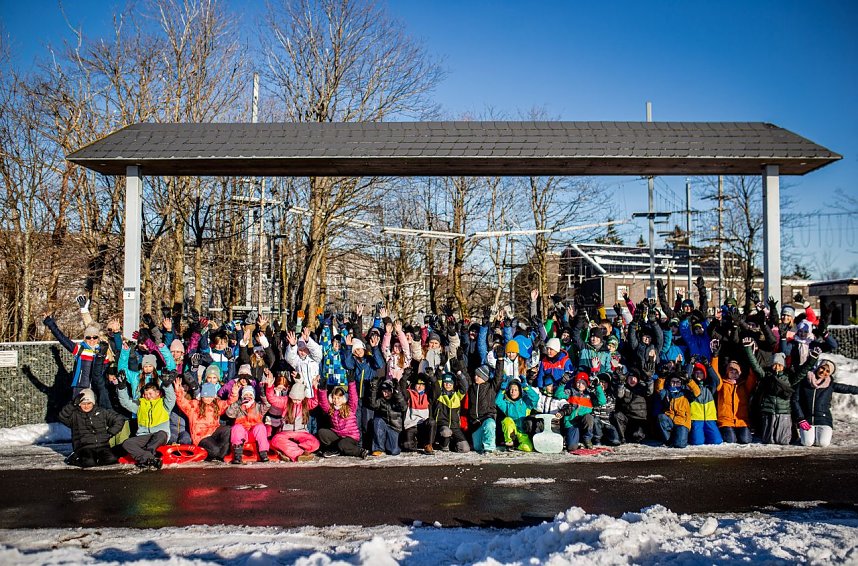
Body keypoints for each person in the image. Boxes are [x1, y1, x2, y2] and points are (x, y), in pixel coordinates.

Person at [745, 340, 818, 445]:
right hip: (768, 412)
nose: (776, 367)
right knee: (768, 441)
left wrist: (812, 359)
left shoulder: (789, 378)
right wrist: (748, 349)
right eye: (774, 365)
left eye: (779, 365)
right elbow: (755, 366)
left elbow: (802, 372)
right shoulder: (766, 376)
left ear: (783, 366)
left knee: (783, 440)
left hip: (784, 412)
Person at [112, 371, 177, 469]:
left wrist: (167, 385)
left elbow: (171, 398)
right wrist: (121, 387)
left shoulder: (164, 405)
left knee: (161, 434)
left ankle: (147, 455)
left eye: (150, 394)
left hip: (159, 435)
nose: (148, 396)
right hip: (143, 436)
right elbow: (125, 402)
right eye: (146, 394)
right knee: (127, 443)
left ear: (158, 393)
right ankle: (149, 458)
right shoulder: (139, 405)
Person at [791, 357, 858, 447]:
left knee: (823, 443)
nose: (824, 372)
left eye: (827, 371)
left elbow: (848, 388)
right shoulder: (804, 382)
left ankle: (816, 435)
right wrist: (800, 418)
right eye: (822, 368)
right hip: (807, 420)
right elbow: (795, 400)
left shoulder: (830, 385)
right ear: (818, 367)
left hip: (824, 420)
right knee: (807, 443)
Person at [58, 388, 126, 468]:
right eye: (83, 403)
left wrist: (111, 432)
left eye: (89, 403)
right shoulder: (74, 415)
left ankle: (98, 458)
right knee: (89, 462)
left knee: (112, 459)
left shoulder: (101, 412)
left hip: (102, 445)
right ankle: (73, 458)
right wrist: (72, 405)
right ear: (79, 404)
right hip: (83, 447)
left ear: (93, 403)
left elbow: (119, 419)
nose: (86, 406)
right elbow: (62, 416)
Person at [173, 380, 235, 461]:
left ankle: (222, 455)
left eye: (211, 397)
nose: (209, 399)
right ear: (202, 396)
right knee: (215, 451)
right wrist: (178, 390)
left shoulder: (216, 404)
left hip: (214, 431)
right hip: (201, 436)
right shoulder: (194, 405)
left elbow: (229, 403)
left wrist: (234, 393)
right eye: (206, 396)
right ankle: (215, 453)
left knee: (227, 429)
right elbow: (182, 402)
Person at [267, 376, 320, 462]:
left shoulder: (306, 403)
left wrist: (315, 388)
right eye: (294, 399)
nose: (296, 402)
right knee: (276, 440)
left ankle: (288, 451)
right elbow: (272, 399)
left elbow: (316, 401)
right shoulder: (285, 401)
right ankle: (300, 454)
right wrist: (269, 387)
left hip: (302, 433)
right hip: (286, 432)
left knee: (315, 443)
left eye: (299, 400)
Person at [315, 373, 367, 458]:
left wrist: (351, 383)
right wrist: (322, 389)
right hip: (338, 436)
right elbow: (323, 403)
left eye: (338, 398)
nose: (336, 400)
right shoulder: (331, 409)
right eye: (334, 398)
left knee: (342, 444)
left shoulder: (350, 408)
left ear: (343, 398)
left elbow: (353, 397)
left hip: (350, 437)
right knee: (322, 432)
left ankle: (360, 451)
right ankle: (335, 450)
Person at [555, 372, 605, 451]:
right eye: (578, 382)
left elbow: (602, 401)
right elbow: (558, 395)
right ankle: (573, 440)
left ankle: (587, 439)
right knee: (572, 447)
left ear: (587, 384)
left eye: (583, 383)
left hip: (584, 421)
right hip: (572, 421)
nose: (580, 385)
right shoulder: (571, 392)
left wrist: (597, 386)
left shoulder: (589, 395)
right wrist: (563, 383)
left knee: (589, 417)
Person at [226, 384, 272, 464]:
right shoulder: (239, 407)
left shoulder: (258, 406)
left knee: (260, 427)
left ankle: (263, 454)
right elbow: (229, 413)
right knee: (237, 427)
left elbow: (267, 405)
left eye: (250, 395)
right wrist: (238, 403)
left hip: (254, 434)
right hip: (242, 435)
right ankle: (237, 455)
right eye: (246, 395)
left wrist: (263, 395)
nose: (248, 396)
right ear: (242, 396)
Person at [715, 359, 756, 444]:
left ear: (739, 373)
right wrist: (715, 358)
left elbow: (752, 376)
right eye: (731, 372)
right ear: (727, 373)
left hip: (741, 421)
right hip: (726, 421)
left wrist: (752, 360)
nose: (733, 374)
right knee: (731, 440)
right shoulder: (722, 384)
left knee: (745, 440)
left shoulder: (744, 385)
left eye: (736, 372)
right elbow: (715, 374)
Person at [431, 365, 470, 453]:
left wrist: (459, 374)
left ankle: (452, 444)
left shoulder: (457, 395)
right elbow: (437, 383)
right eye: (446, 383)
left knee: (465, 449)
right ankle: (443, 445)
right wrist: (439, 370)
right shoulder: (438, 394)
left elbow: (465, 386)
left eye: (450, 383)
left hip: (455, 427)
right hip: (442, 425)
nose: (448, 385)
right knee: (446, 432)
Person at [654, 372, 699, 449]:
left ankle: (677, 438)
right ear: (669, 382)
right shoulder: (666, 392)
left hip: (682, 422)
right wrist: (662, 378)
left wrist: (689, 381)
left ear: (681, 383)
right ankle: (668, 440)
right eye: (673, 381)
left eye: (678, 382)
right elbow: (659, 390)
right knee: (661, 417)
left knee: (679, 445)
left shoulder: (685, 393)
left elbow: (697, 392)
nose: (675, 384)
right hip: (670, 419)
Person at [495, 377, 539, 452]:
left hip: (522, 431)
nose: (513, 392)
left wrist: (526, 387)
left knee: (528, 448)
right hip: (512, 430)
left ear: (519, 391)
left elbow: (535, 398)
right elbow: (498, 401)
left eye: (516, 390)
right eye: (511, 390)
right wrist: (502, 390)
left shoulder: (525, 402)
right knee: (507, 420)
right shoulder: (507, 404)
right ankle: (509, 443)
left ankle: (516, 445)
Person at [612, 369, 653, 443]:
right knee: (617, 415)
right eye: (630, 378)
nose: (632, 380)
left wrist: (649, 379)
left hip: (639, 419)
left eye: (634, 378)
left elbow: (649, 391)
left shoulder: (642, 388)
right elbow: (619, 395)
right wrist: (621, 383)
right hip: (627, 418)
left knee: (637, 436)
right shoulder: (624, 388)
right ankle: (622, 438)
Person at [369, 377, 407, 456]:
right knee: (377, 420)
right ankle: (378, 448)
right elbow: (373, 405)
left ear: (392, 391)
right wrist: (374, 388)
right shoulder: (381, 400)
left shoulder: (396, 399)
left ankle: (389, 444)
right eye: (384, 391)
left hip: (394, 427)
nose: (386, 394)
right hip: (383, 425)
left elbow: (403, 407)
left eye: (388, 391)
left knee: (394, 451)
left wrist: (397, 390)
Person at [401, 373, 437, 454]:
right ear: (414, 385)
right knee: (407, 446)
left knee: (432, 422)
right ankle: (418, 443)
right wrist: (405, 377)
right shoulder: (409, 393)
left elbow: (437, 391)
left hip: (424, 424)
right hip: (412, 425)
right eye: (418, 384)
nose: (420, 387)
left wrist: (432, 378)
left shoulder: (428, 394)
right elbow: (402, 389)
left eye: (422, 385)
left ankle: (429, 445)